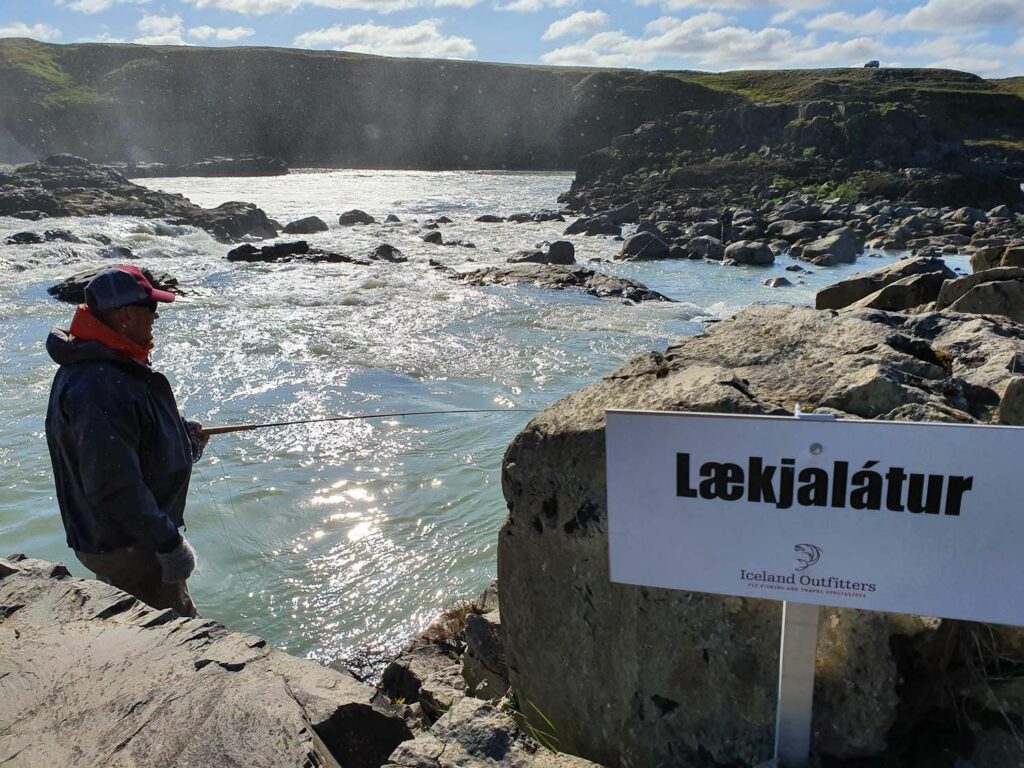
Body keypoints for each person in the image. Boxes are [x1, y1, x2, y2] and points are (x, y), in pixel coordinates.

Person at [45, 265, 208, 617]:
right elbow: (113, 484)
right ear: (124, 317)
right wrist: (169, 544)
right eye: (150, 310)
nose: (155, 318)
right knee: (175, 633)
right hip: (128, 544)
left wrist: (181, 435)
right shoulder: (99, 384)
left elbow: (132, 438)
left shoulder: (104, 361)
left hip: (126, 537)